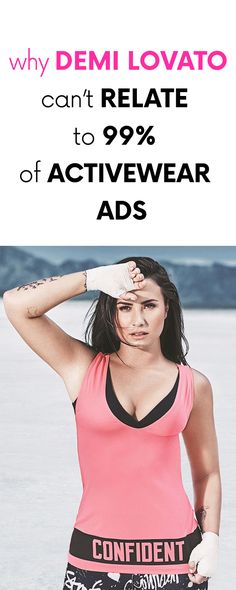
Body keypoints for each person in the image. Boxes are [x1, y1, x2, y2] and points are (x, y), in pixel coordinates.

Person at [3, 256, 221, 590]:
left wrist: (211, 538)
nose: (138, 319)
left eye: (149, 305)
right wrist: (92, 279)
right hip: (94, 557)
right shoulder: (82, 368)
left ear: (167, 310)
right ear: (111, 312)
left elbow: (206, 472)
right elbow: (17, 304)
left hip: (178, 558)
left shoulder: (194, 385)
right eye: (125, 307)